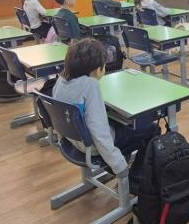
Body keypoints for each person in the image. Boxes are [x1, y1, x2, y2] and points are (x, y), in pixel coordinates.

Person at [53, 38, 157, 176]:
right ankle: (136, 176)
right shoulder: (91, 86)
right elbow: (99, 132)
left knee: (119, 121)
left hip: (71, 139)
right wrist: (118, 164)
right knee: (151, 128)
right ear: (97, 69)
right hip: (91, 146)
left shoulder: (61, 80)